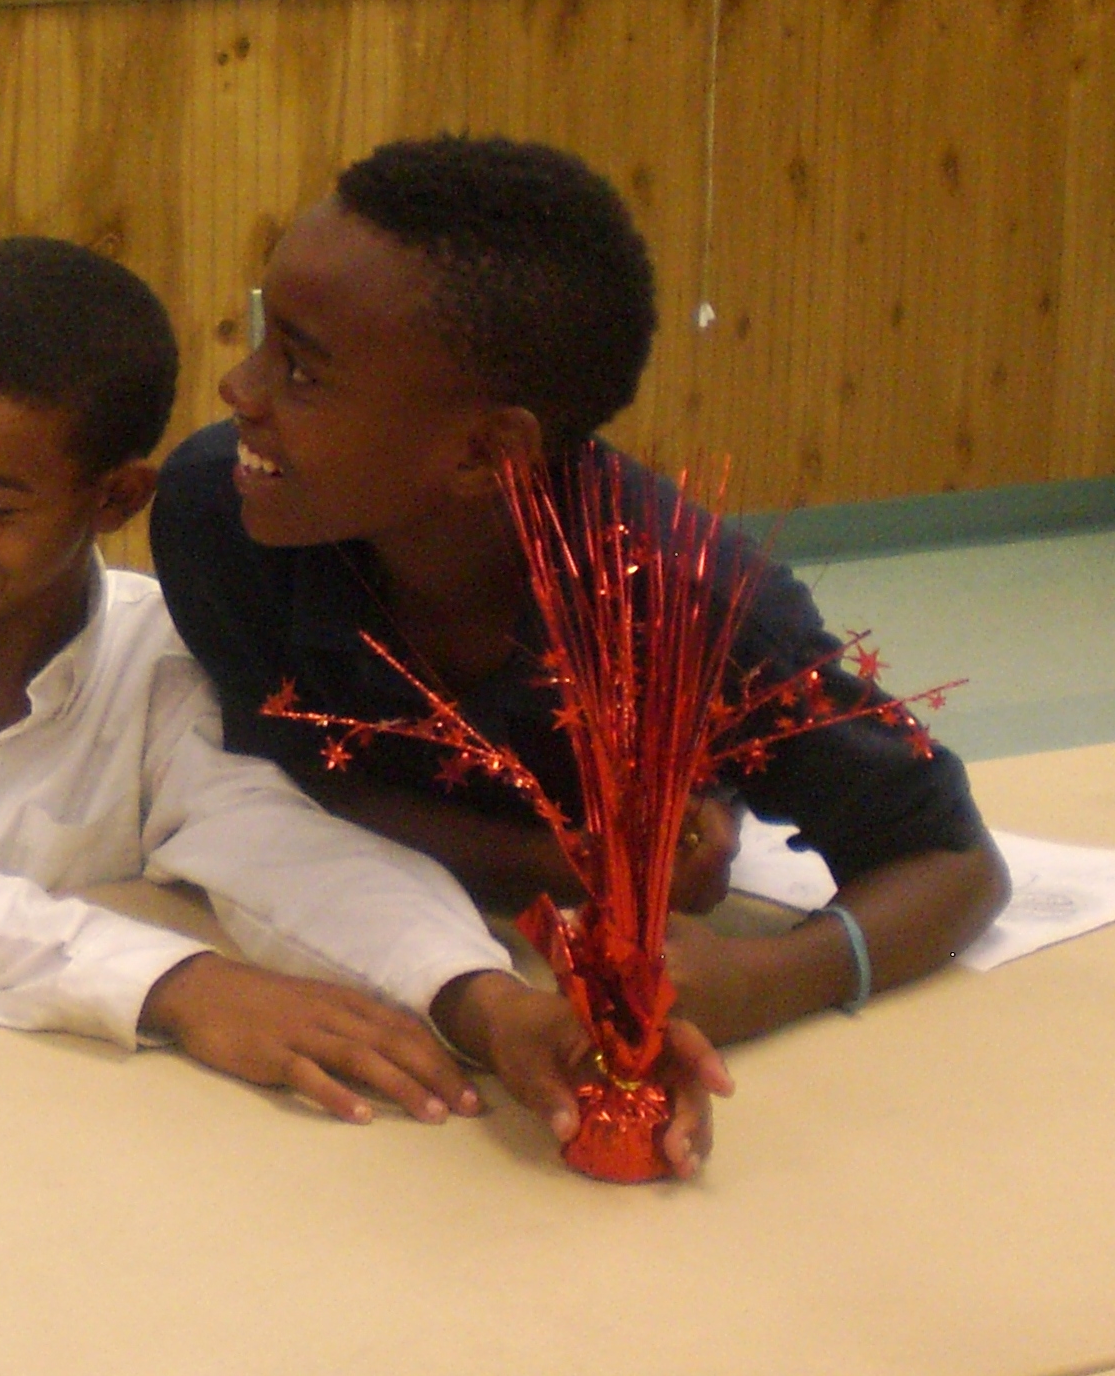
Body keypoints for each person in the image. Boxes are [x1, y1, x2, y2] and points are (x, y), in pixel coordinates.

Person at [0, 237, 729, 1167]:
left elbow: (276, 843)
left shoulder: (157, 646)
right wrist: (175, 983)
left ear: (119, 498)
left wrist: (481, 1000)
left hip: (33, 1138)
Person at [151, 136, 1011, 1046]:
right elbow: (293, 782)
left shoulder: (690, 606)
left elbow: (954, 863)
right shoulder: (221, 516)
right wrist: (567, 863)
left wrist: (763, 982)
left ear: (486, 452)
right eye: (261, 339)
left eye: (301, 370)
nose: (237, 388)